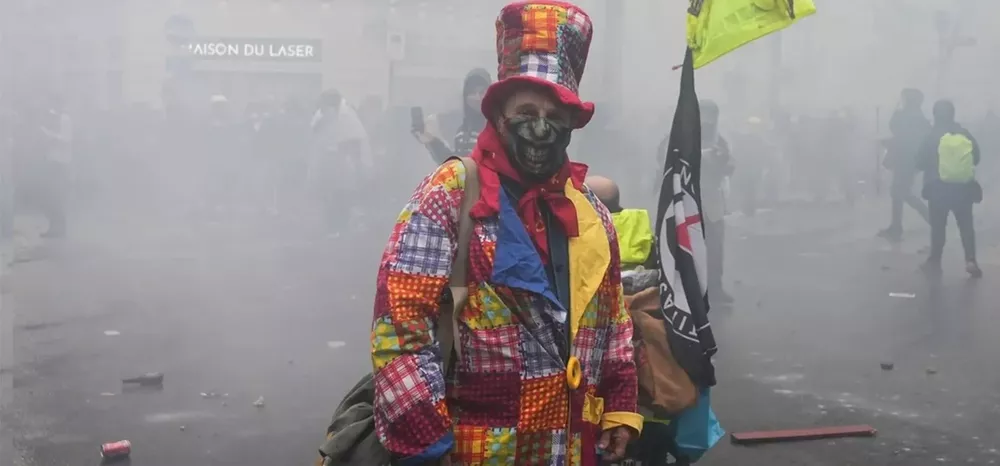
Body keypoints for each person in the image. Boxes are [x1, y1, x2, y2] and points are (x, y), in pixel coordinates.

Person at [370, 2, 641, 465]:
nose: (540, 127)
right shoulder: (451, 193)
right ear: (498, 116)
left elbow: (612, 319)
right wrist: (427, 444)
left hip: (570, 447)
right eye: (526, 111)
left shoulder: (589, 211)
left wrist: (619, 405)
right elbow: (399, 327)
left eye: (554, 114)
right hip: (475, 452)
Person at [917, 99, 982, 278]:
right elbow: (976, 157)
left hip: (937, 188)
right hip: (963, 188)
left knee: (938, 226)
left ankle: (934, 259)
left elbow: (920, 161)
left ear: (935, 114)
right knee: (966, 225)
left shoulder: (931, 136)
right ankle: (971, 260)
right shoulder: (964, 133)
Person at [310, 89, 372, 233]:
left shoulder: (347, 118)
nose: (322, 110)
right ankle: (333, 227)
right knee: (330, 198)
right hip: (332, 167)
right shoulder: (325, 118)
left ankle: (339, 227)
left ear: (331, 106)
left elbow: (354, 144)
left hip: (346, 167)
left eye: (324, 107)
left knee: (341, 197)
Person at [878, 88, 931, 241]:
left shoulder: (908, 115)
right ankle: (897, 226)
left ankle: (931, 220)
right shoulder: (918, 116)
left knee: (901, 192)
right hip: (909, 160)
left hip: (906, 159)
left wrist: (896, 113)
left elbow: (896, 129)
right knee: (899, 192)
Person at [414, 68, 492, 164]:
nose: (477, 98)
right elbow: (456, 166)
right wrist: (432, 142)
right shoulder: (462, 132)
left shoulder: (496, 128)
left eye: (482, 92)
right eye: (472, 93)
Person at [699, 100, 735, 305]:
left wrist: (721, 159)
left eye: (711, 116)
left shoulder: (718, 140)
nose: (708, 121)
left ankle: (715, 288)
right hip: (687, 200)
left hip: (712, 201)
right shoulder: (679, 136)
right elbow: (665, 161)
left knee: (714, 249)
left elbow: (729, 165)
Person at [38, 96, 73, 238]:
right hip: (52, 161)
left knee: (56, 196)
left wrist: (50, 135)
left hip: (60, 163)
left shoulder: (65, 119)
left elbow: (67, 139)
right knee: (50, 196)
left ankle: (59, 229)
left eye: (52, 103)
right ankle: (54, 227)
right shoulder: (54, 117)